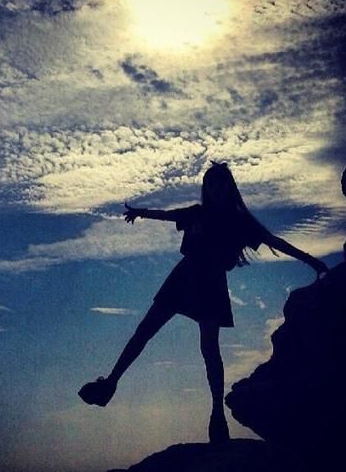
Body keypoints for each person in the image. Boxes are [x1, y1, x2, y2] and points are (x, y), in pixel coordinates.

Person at [78, 161, 328, 444]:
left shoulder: (240, 221)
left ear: (229, 188)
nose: (216, 189)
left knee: (209, 349)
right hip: (184, 276)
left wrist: (311, 260)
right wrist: (140, 213)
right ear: (206, 189)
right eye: (211, 185)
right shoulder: (198, 213)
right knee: (144, 331)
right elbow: (168, 215)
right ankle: (110, 383)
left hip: (211, 284)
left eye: (221, 184)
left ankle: (217, 413)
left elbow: (274, 241)